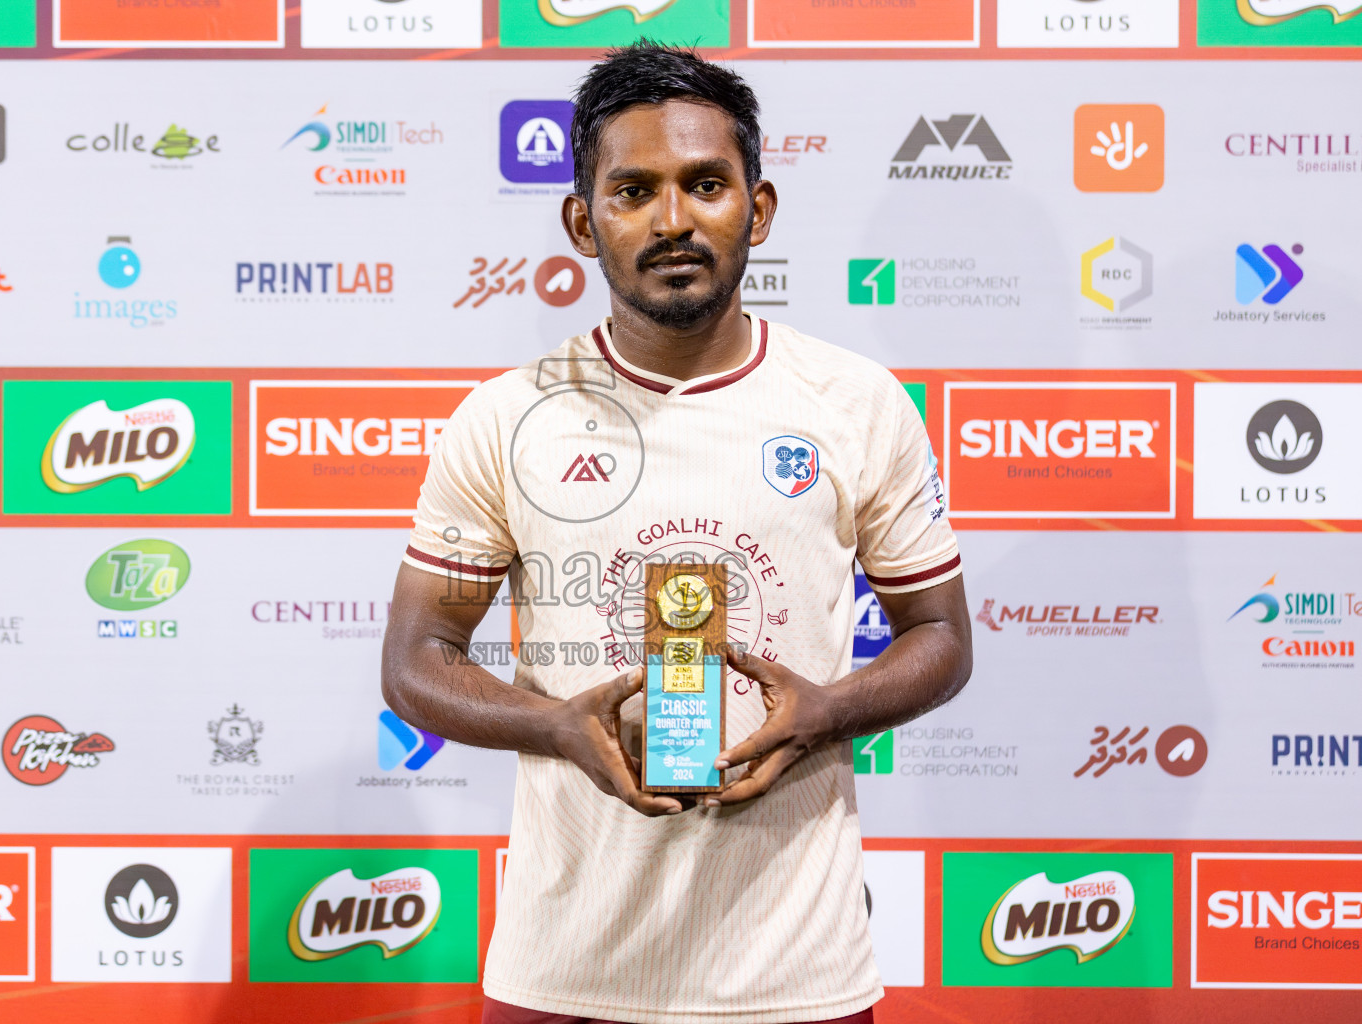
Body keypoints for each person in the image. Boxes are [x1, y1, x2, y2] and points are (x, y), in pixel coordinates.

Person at [381, 43, 972, 1024]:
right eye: (633, 190)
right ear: (583, 220)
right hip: (566, 966)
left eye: (706, 183)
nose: (672, 219)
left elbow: (941, 638)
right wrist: (554, 726)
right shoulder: (505, 415)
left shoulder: (855, 402)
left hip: (796, 971)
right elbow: (415, 661)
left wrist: (825, 709)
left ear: (760, 207)